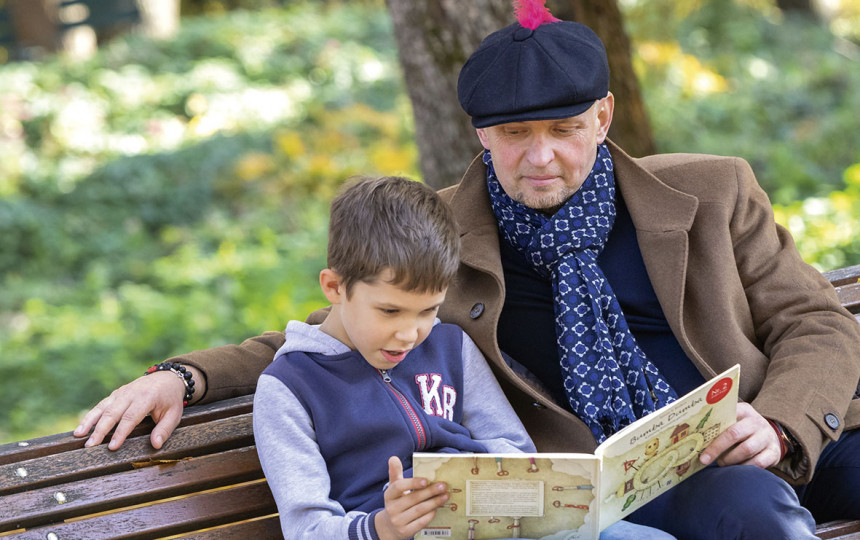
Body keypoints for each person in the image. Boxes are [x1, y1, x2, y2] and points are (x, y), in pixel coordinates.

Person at [76, 1, 860, 537]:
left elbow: (814, 319)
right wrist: (181, 376)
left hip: (761, 419)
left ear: (605, 116)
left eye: (563, 129)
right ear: (483, 135)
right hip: (635, 480)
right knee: (756, 517)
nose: (541, 156)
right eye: (514, 134)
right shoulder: (447, 235)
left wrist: (783, 420)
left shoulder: (712, 188)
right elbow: (333, 325)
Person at [252, 175, 672, 540]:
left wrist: (469, 477)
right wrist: (384, 526)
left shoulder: (448, 344)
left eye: (428, 310)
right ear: (334, 287)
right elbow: (306, 529)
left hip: (499, 522)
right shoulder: (289, 388)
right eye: (389, 311)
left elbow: (514, 448)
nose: (410, 334)